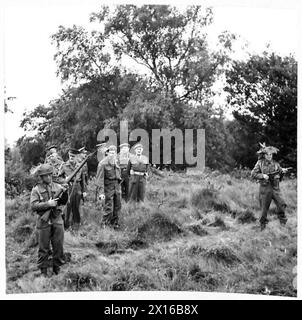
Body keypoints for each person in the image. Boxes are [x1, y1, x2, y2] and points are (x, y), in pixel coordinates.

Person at [30, 164, 68, 276]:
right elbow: (33, 206)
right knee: (43, 248)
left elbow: (63, 202)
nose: (49, 177)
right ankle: (43, 271)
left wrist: (65, 193)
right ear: (41, 177)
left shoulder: (58, 186)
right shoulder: (36, 190)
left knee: (58, 245)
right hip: (43, 220)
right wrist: (48, 204)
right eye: (46, 176)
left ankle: (58, 268)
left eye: (50, 175)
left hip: (56, 217)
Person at [251, 143, 290, 230]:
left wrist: (283, 172)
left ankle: (283, 224)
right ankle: (262, 227)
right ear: (264, 155)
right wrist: (262, 176)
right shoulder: (260, 163)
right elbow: (253, 174)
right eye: (267, 154)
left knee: (282, 204)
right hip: (265, 189)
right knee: (264, 210)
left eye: (270, 154)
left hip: (276, 188)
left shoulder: (276, 164)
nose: (269, 156)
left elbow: (280, 176)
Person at [58, 148, 87, 230]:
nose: (71, 158)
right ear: (68, 156)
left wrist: (84, 191)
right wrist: (65, 180)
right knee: (68, 207)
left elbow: (83, 180)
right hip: (68, 188)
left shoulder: (80, 166)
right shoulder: (64, 166)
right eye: (70, 156)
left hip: (77, 187)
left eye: (73, 156)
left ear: (76, 157)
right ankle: (66, 226)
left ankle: (76, 226)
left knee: (76, 207)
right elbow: (58, 178)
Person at [95, 145, 122, 229]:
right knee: (108, 208)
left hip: (116, 186)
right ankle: (104, 225)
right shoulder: (102, 163)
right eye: (111, 153)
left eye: (114, 153)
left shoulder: (116, 162)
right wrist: (101, 193)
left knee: (117, 206)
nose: (112, 155)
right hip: (108, 187)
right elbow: (99, 180)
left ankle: (115, 224)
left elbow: (119, 175)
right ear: (107, 153)